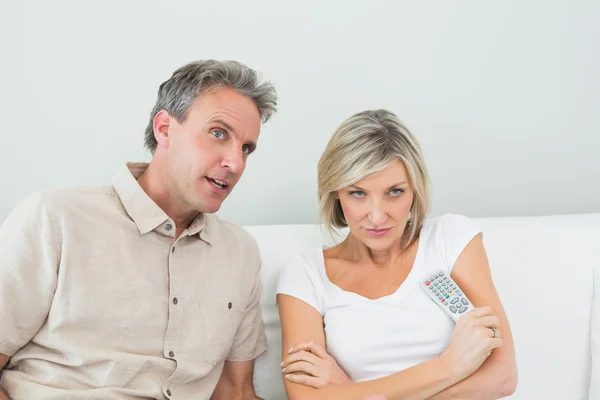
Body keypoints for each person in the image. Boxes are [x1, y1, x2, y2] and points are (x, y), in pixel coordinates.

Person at [0, 60, 277, 400]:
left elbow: (235, 391)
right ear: (164, 129)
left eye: (246, 148)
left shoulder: (240, 252)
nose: (235, 163)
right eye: (218, 133)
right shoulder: (54, 218)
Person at [276, 109, 518, 400]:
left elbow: (503, 377)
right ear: (335, 193)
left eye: (394, 192)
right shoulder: (305, 273)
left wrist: (350, 393)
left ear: (414, 190)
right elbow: (306, 398)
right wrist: (449, 366)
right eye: (357, 193)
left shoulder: (450, 238)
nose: (377, 217)